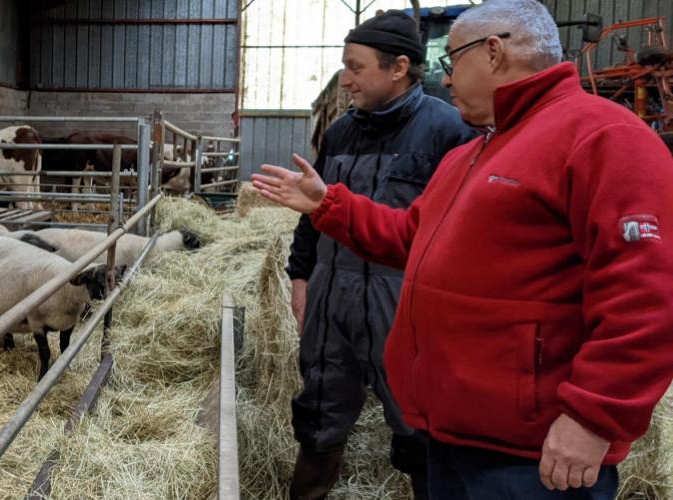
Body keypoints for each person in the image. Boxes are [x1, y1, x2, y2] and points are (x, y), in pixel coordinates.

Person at [253, 1, 673, 498]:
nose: (447, 81)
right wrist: (329, 206)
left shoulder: (602, 137)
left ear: (493, 52)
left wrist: (593, 417)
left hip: (529, 455)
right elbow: (412, 238)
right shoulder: (472, 152)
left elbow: (648, 296)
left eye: (452, 63)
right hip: (453, 433)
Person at [283, 10, 475, 500]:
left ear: (398, 67)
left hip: (406, 300)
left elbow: (465, 232)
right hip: (331, 297)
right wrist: (301, 278)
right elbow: (313, 213)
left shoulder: (449, 131)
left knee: (418, 420)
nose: (345, 80)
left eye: (355, 66)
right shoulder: (342, 132)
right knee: (320, 410)